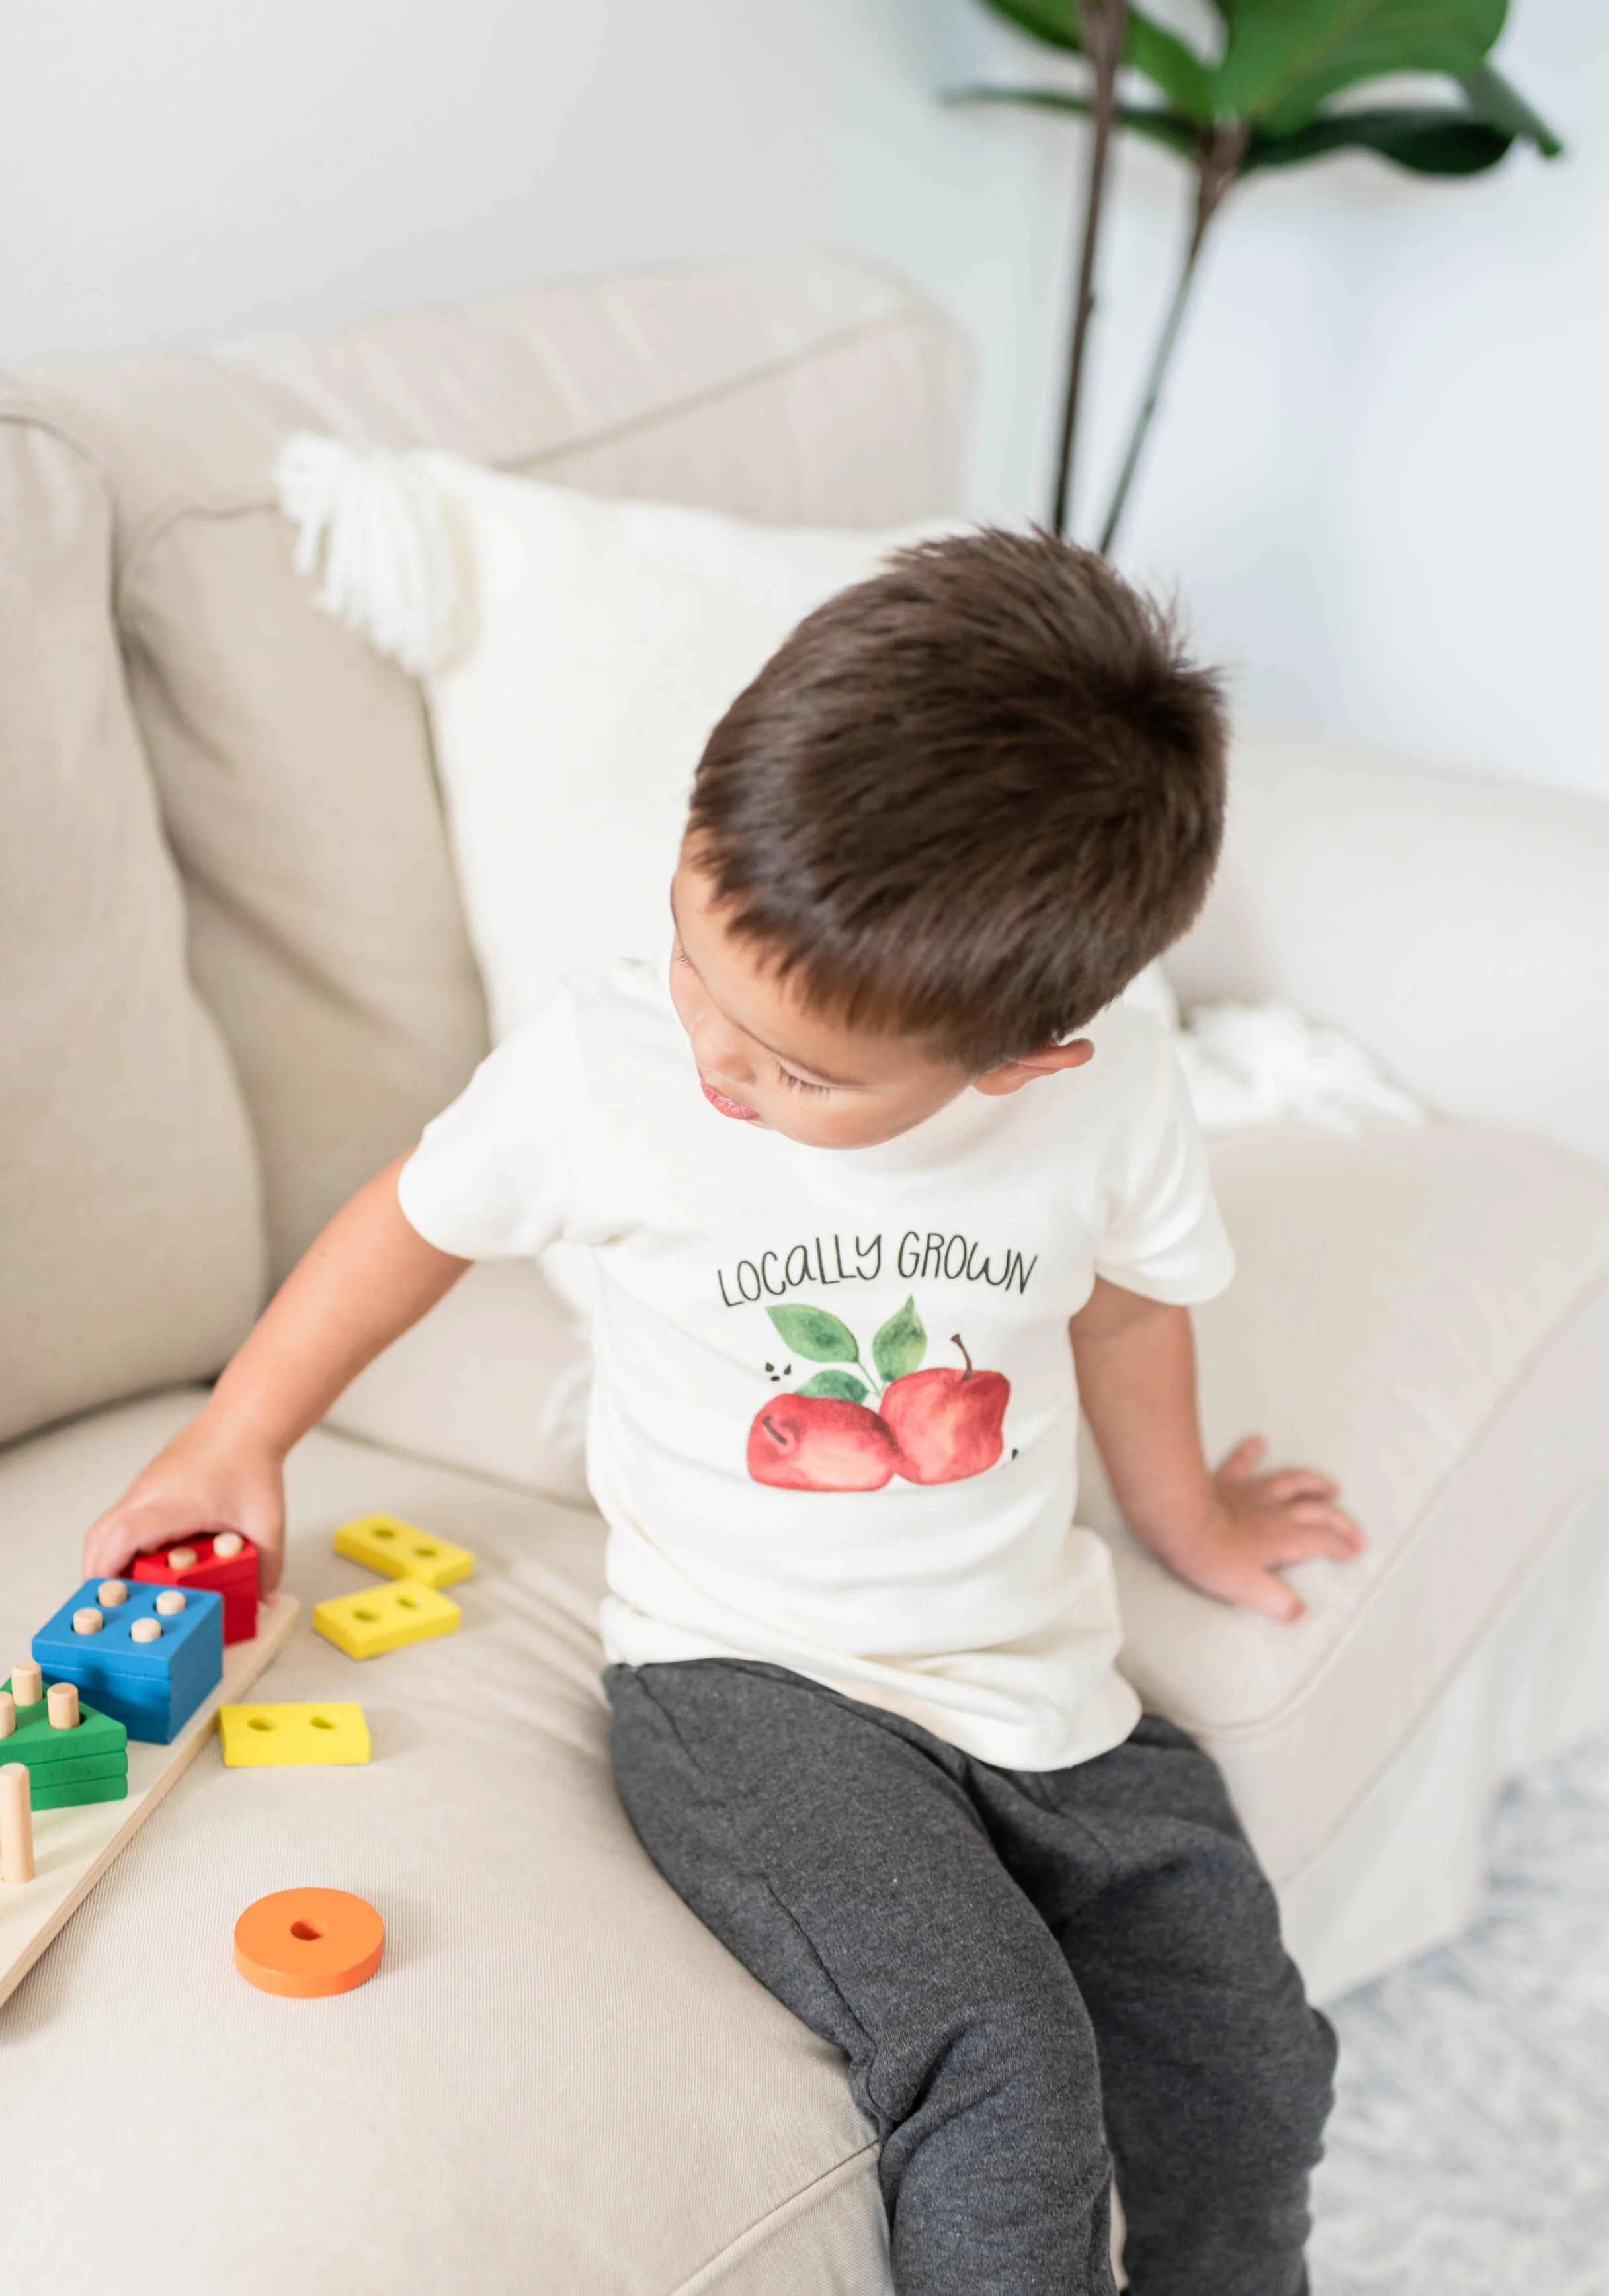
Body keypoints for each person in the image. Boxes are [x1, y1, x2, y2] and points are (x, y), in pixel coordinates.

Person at [85, 530, 1359, 2296]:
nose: (711, 1057)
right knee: (1001, 2065)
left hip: (1033, 1673)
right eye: (694, 958)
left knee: (1250, 2055)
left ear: (1023, 1058)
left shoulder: (1110, 1087)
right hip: (744, 1681)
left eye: (796, 1070)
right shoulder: (603, 1070)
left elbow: (1133, 1304)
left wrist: (1191, 1523)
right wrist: (242, 1433)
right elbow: (407, 1221)